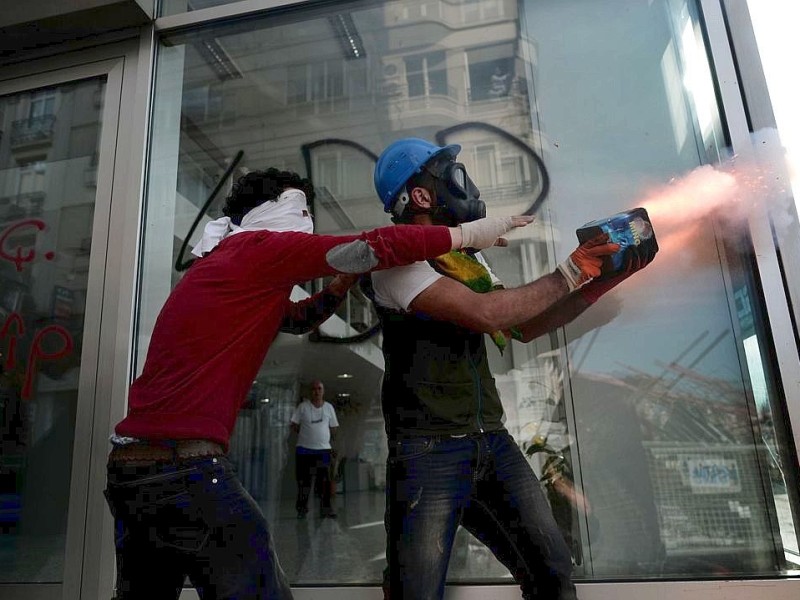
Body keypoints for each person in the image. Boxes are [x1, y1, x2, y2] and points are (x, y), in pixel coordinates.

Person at [103, 166, 530, 600]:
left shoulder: (222, 265)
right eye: (302, 208)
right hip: (185, 468)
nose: (307, 222)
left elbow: (297, 318)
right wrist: (471, 233)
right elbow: (375, 246)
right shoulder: (258, 246)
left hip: (132, 473)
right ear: (274, 210)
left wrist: (340, 284)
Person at [369, 138, 657, 600]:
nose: (462, 180)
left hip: (491, 440)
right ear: (420, 195)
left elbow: (521, 325)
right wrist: (570, 271)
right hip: (429, 452)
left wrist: (596, 283)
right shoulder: (395, 265)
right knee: (415, 593)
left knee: (552, 576)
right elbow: (488, 315)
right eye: (450, 172)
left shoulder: (467, 259)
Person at [291, 379, 339, 519]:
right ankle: (301, 509)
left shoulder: (329, 407)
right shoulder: (303, 407)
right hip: (304, 450)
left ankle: (326, 510)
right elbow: (294, 424)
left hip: (323, 451)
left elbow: (334, 427)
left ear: (323, 391)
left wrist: (328, 437)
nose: (316, 391)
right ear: (310, 392)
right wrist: (306, 434)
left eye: (319, 389)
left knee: (324, 482)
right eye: (314, 389)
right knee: (303, 482)